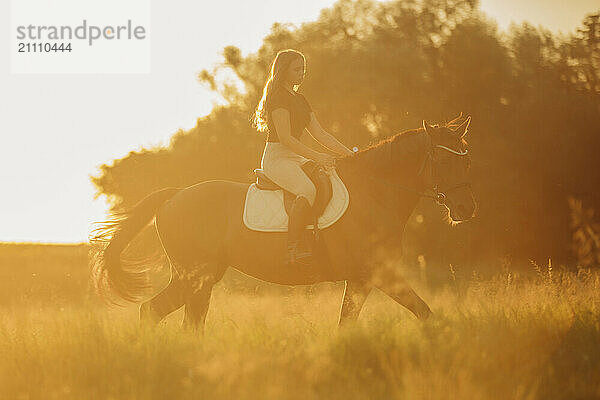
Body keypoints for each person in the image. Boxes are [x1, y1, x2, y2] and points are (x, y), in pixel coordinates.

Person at [253, 49, 354, 267]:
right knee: (307, 190)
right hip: (277, 159)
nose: (302, 73)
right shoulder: (278, 97)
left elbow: (320, 134)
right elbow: (286, 139)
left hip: (295, 157)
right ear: (284, 71)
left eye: (303, 69)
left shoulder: (300, 99)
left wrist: (352, 155)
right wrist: (317, 156)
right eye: (297, 69)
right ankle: (293, 248)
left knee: (330, 177)